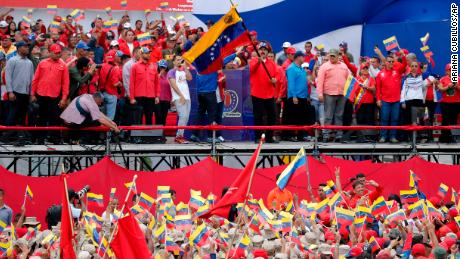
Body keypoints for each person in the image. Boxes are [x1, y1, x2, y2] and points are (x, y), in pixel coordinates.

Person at [31, 44, 69, 144]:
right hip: (41, 94)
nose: (58, 54)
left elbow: (66, 83)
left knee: (55, 118)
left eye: (59, 52)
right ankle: (40, 139)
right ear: (50, 52)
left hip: (55, 96)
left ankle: (55, 139)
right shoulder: (42, 63)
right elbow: (35, 79)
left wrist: (64, 98)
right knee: (41, 118)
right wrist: (33, 94)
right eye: (56, 53)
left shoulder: (63, 65)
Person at [317, 48, 349, 142]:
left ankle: (338, 135)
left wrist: (349, 93)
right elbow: (320, 81)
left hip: (342, 94)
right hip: (329, 94)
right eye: (330, 55)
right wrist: (320, 94)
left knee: (339, 115)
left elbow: (349, 80)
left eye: (333, 56)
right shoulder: (324, 66)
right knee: (328, 115)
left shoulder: (344, 66)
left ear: (338, 56)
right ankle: (326, 135)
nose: (331, 57)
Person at [375, 49, 407, 143]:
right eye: (389, 61)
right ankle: (383, 136)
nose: (391, 63)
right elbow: (378, 89)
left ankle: (393, 136)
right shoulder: (380, 74)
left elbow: (405, 65)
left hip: (396, 100)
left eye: (393, 61)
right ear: (385, 63)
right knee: (384, 119)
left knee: (395, 119)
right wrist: (378, 100)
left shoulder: (397, 72)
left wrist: (403, 56)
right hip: (385, 100)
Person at [249, 42, 278, 143]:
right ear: (258, 51)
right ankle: (258, 137)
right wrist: (258, 62)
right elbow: (251, 70)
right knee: (258, 116)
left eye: (265, 50)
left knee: (273, 115)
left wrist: (275, 79)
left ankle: (269, 137)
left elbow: (276, 76)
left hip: (269, 94)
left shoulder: (272, 64)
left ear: (268, 52)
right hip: (257, 94)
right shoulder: (253, 61)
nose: (262, 51)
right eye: (261, 49)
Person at [4, 41, 34, 129]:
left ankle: (19, 135)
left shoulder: (29, 62)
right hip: (15, 92)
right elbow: (8, 76)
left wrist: (31, 93)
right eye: (25, 46)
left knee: (22, 115)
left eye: (27, 46)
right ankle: (6, 135)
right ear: (19, 48)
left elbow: (32, 79)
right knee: (12, 114)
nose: (27, 48)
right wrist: (10, 92)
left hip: (25, 93)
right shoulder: (12, 60)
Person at [129, 47, 160, 125]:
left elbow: (157, 83)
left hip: (150, 97)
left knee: (149, 117)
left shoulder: (153, 66)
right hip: (139, 96)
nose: (148, 54)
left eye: (149, 53)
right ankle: (137, 137)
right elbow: (131, 83)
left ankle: (148, 136)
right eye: (146, 53)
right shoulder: (135, 66)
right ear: (141, 54)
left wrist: (157, 96)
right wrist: (132, 98)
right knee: (138, 117)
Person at [285, 51, 310, 141]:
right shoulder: (291, 68)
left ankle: (300, 136)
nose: (304, 58)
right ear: (298, 57)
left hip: (303, 97)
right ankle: (290, 135)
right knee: (292, 117)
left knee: (301, 118)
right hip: (295, 97)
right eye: (303, 57)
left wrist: (307, 96)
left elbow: (304, 83)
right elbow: (291, 83)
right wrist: (294, 96)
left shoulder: (302, 69)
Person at [168, 55, 192, 144]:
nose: (179, 61)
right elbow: (174, 85)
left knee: (186, 118)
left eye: (181, 60)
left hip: (187, 97)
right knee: (183, 116)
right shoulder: (171, 71)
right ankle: (179, 136)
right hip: (179, 97)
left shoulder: (183, 71)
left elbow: (190, 78)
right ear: (173, 62)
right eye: (177, 60)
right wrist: (181, 96)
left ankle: (181, 135)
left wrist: (185, 68)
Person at [190, 71, 219, 143]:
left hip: (200, 93)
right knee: (212, 115)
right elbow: (226, 60)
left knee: (200, 114)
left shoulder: (200, 67)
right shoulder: (214, 67)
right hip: (210, 93)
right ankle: (210, 137)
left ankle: (194, 135)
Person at [438, 63, 460, 143]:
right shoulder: (443, 79)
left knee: (454, 120)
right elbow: (440, 88)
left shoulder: (458, 78)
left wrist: (457, 87)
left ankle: (453, 137)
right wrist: (448, 87)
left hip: (456, 103)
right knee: (445, 120)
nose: (452, 71)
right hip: (445, 103)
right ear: (446, 71)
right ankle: (444, 137)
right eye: (450, 70)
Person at [99, 49, 122, 120]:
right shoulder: (116, 68)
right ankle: (108, 131)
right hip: (111, 95)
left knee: (102, 117)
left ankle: (102, 131)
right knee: (110, 118)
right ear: (114, 57)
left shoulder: (102, 66)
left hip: (102, 94)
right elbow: (115, 84)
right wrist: (120, 84)